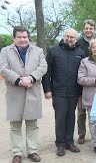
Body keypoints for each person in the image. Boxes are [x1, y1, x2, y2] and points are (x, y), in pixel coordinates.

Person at [0, 26, 47, 163]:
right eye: (19, 37)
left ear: (28, 37)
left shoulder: (38, 51)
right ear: (14, 38)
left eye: (25, 37)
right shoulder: (5, 51)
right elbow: (3, 68)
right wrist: (20, 81)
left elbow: (43, 67)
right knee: (15, 125)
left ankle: (32, 151)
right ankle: (17, 153)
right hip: (15, 91)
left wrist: (31, 78)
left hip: (33, 90)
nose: (22, 39)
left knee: (32, 123)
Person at [42, 29, 86, 157]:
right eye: (67, 36)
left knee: (71, 117)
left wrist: (82, 91)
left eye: (72, 37)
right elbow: (47, 71)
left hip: (74, 91)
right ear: (64, 36)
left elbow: (83, 72)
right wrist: (47, 89)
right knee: (60, 117)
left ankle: (69, 142)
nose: (69, 39)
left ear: (76, 39)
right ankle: (60, 144)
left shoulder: (80, 53)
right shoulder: (53, 50)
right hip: (58, 91)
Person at [76, 19, 96, 144]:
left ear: (94, 29)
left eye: (91, 28)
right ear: (83, 29)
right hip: (82, 82)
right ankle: (82, 134)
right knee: (81, 111)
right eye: (86, 28)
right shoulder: (78, 43)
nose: (88, 30)